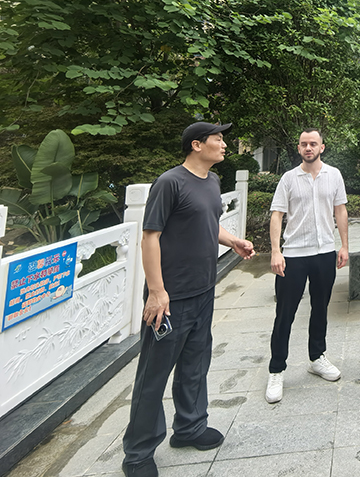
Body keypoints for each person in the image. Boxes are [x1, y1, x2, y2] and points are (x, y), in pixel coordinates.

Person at [122, 122, 255, 477]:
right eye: (218, 139)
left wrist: (233, 241)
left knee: (196, 363)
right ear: (197, 145)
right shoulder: (170, 183)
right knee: (154, 374)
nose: (224, 144)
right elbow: (150, 237)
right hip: (171, 297)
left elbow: (209, 223)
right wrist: (156, 291)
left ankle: (190, 427)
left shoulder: (212, 182)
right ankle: (138, 453)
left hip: (203, 289)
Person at [265, 129, 349, 403]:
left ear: (322, 147)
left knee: (320, 309)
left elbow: (340, 211)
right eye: (304, 144)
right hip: (294, 255)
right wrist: (276, 251)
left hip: (324, 253)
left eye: (313, 143)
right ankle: (277, 369)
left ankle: (317, 357)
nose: (308, 147)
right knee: (285, 313)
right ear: (299, 148)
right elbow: (277, 215)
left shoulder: (334, 175)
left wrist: (344, 246)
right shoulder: (289, 178)